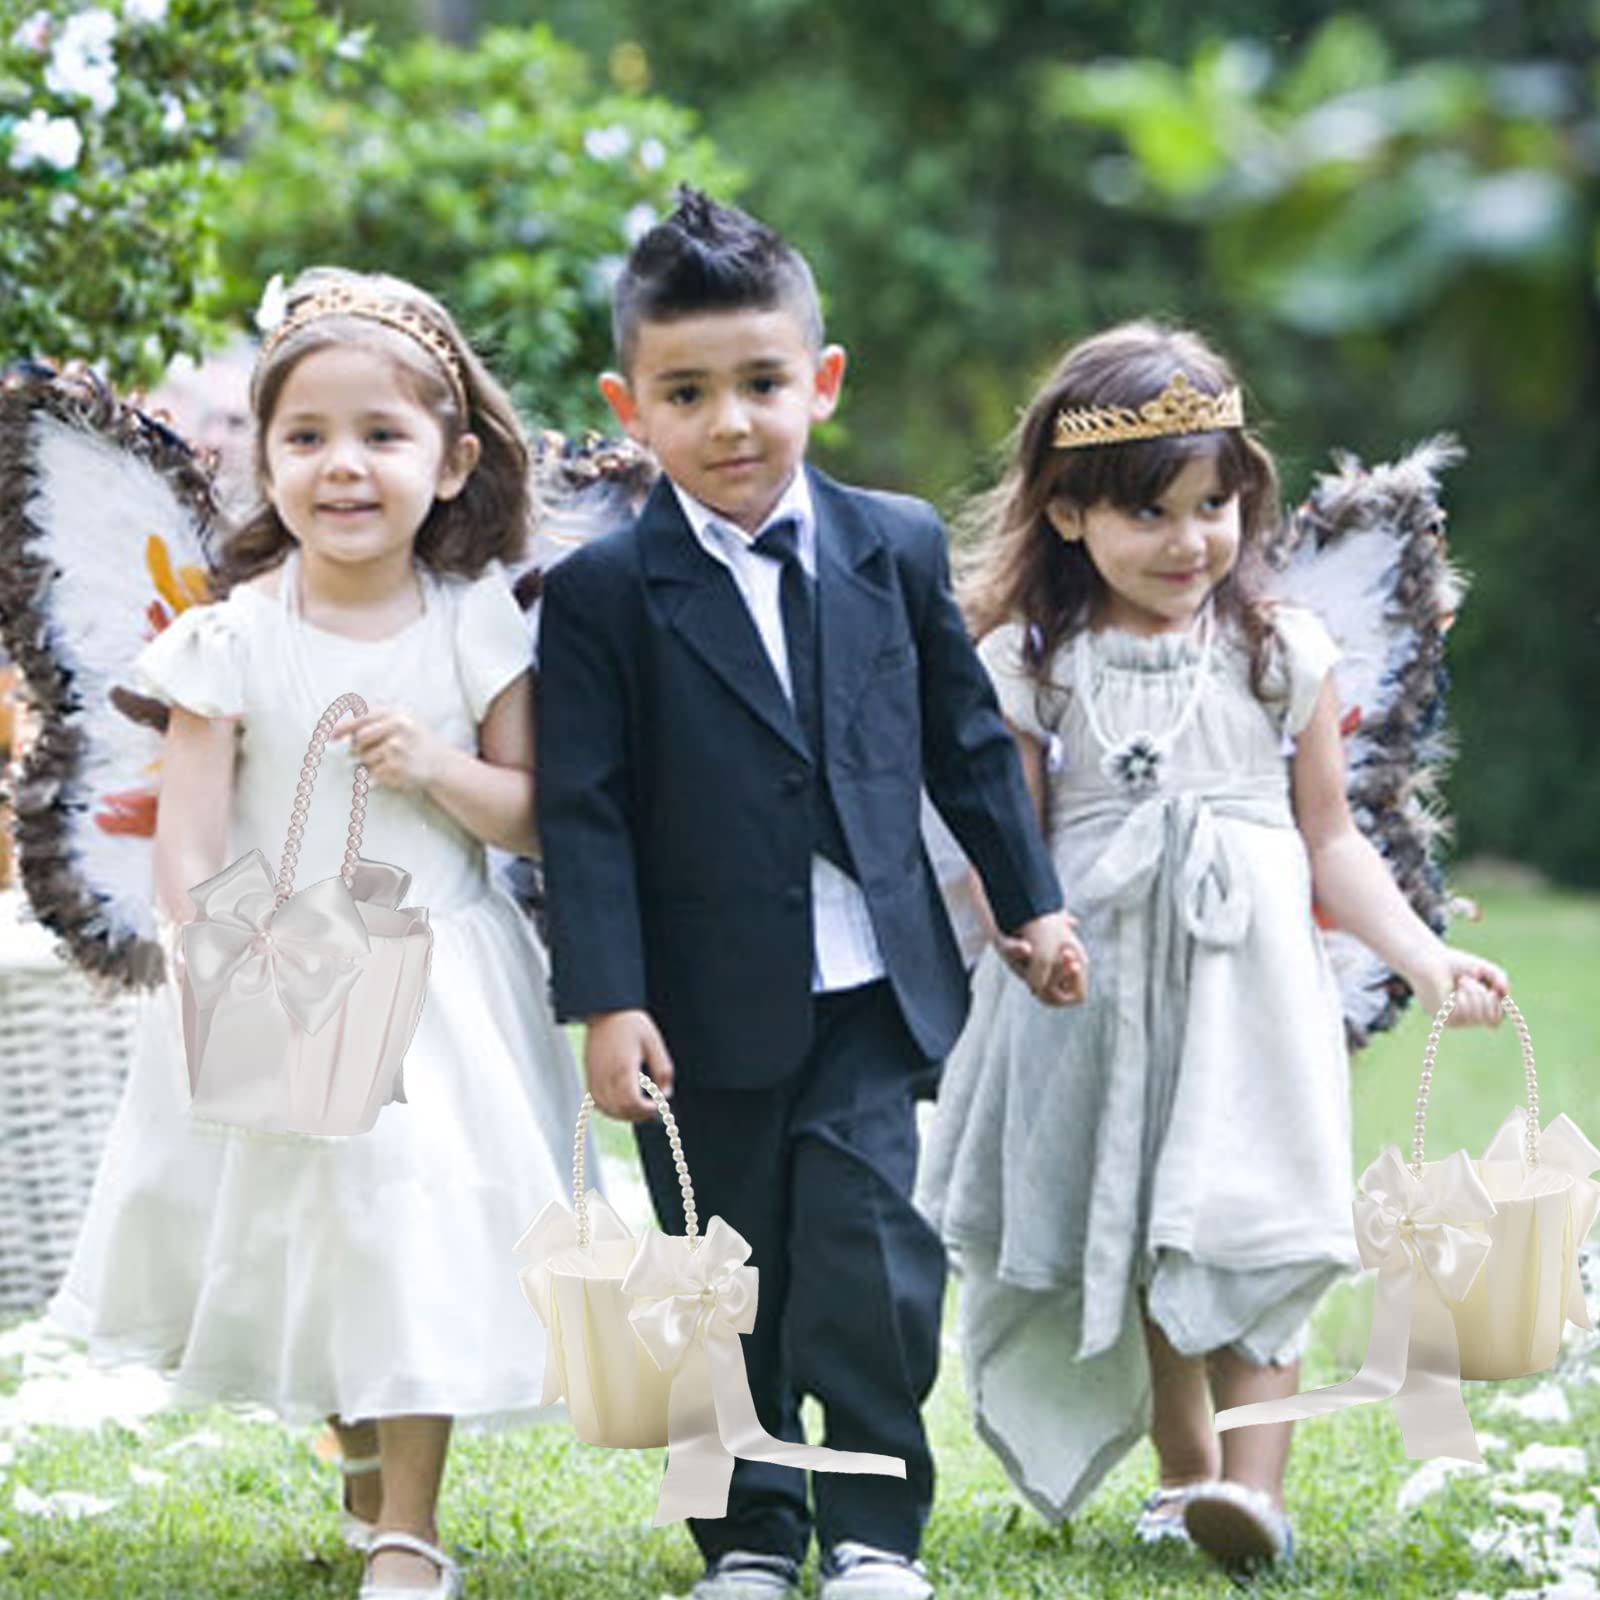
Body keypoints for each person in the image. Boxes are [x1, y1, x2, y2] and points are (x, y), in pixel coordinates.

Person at [535, 189, 1085, 1600]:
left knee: (872, 1258)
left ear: (821, 383)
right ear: (630, 404)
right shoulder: (603, 594)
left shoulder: (893, 545)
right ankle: (753, 1535)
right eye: (689, 392)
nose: (731, 423)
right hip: (700, 1003)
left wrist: (1033, 905)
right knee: (727, 1270)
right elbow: (583, 813)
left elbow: (965, 740)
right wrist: (606, 999)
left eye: (762, 385)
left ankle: (874, 1531)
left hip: (873, 982)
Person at [916, 320, 1509, 1572]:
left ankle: (1256, 1487)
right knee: (1134, 1226)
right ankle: (1187, 1475)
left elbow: (1333, 838)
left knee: (1253, 1213)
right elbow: (1003, 841)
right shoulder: (1033, 661)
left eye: (1213, 505)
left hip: (1246, 987)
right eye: (1152, 514)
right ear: (1070, 514)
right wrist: (1029, 943)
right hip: (1096, 987)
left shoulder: (1277, 652)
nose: (1191, 542)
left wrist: (1420, 955)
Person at [48, 266, 583, 1600]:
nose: (343, 467)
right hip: (278, 965)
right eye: (307, 438)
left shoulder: (473, 629)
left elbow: (529, 817)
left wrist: (437, 772)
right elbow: (190, 820)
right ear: (264, 460)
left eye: (381, 437)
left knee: (415, 1221)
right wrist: (199, 944)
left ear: (454, 463)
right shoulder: (229, 638)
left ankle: (411, 1521)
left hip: (437, 974)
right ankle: (356, 1435)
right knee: (310, 1231)